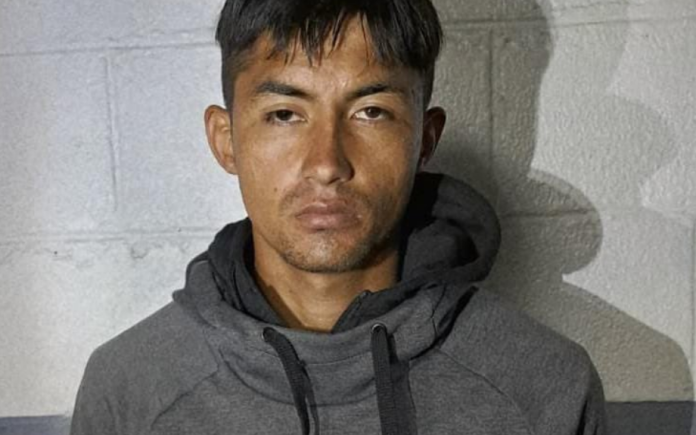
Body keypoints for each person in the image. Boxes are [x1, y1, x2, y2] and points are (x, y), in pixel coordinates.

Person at [70, 0, 607, 434]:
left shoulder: (544, 386)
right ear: (226, 139)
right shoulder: (130, 390)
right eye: (285, 114)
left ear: (424, 139)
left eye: (370, 112)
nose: (327, 163)